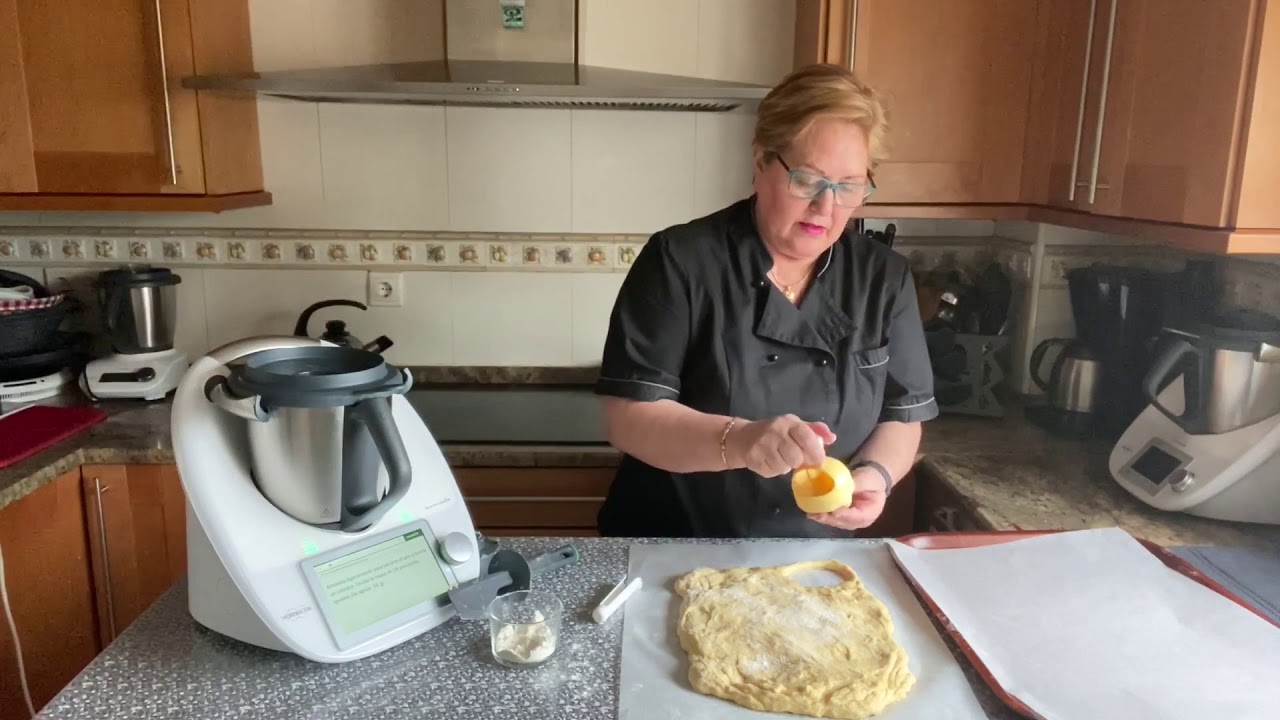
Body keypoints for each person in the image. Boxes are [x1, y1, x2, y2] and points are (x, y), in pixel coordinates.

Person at [592, 63, 937, 539]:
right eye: (808, 179)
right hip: (674, 543)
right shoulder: (681, 260)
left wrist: (874, 478)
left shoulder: (884, 278)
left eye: (849, 186)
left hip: (812, 554)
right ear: (760, 162)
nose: (826, 206)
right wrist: (740, 441)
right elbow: (628, 419)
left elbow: (903, 416)